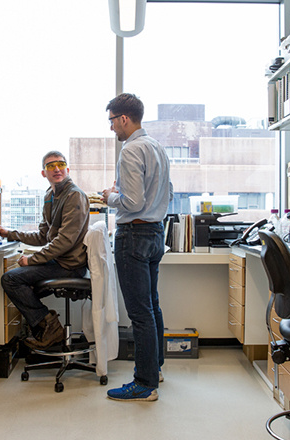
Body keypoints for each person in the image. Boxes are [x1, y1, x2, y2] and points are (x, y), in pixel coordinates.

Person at [102, 93, 172, 402]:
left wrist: (109, 196)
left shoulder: (130, 151)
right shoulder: (157, 148)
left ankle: (144, 384)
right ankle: (154, 368)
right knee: (152, 306)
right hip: (156, 232)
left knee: (140, 313)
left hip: (133, 235)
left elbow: (132, 202)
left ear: (124, 119)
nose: (112, 129)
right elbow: (166, 191)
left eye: (112, 122)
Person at [0, 151, 90, 350]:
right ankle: (45, 329)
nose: (56, 169)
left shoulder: (74, 196)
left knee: (11, 279)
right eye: (50, 166)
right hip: (59, 262)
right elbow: (43, 236)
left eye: (60, 164)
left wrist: (32, 260)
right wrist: (10, 234)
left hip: (70, 266)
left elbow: (65, 241)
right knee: (18, 280)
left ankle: (50, 329)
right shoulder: (50, 196)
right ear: (43, 173)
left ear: (67, 169)